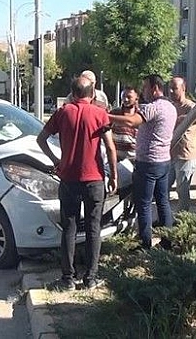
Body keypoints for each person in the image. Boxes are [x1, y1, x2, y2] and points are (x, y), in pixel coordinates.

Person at [37, 76, 118, 291]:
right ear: (93, 94)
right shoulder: (100, 114)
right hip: (94, 179)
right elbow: (110, 147)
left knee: (69, 228)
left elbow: (41, 139)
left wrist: (56, 161)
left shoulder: (63, 113)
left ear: (72, 94)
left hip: (69, 178)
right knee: (94, 228)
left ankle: (67, 279)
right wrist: (114, 175)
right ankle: (90, 278)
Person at [109, 75, 177, 249]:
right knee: (163, 201)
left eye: (145, 88)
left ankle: (145, 244)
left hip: (148, 163)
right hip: (163, 162)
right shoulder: (170, 107)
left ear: (155, 88)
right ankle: (168, 241)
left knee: (144, 204)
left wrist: (107, 116)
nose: (143, 92)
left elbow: (132, 121)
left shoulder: (152, 107)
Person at [168, 77, 196, 211]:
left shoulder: (191, 106)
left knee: (182, 190)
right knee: (164, 187)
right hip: (169, 155)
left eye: (174, 88)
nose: (170, 91)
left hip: (185, 156)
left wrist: (178, 119)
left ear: (183, 89)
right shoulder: (170, 106)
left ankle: (182, 219)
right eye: (169, 88)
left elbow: (194, 119)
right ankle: (165, 218)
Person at [109, 86, 139, 162]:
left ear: (136, 97)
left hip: (135, 159)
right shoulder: (114, 113)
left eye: (129, 97)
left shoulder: (140, 115)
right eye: (123, 96)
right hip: (117, 159)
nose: (125, 99)